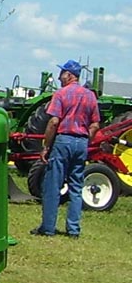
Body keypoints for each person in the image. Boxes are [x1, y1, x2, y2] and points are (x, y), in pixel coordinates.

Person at [31, 59, 100, 239]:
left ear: (70, 75)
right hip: (81, 142)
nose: (60, 76)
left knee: (53, 185)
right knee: (76, 187)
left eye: (62, 73)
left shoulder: (61, 94)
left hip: (64, 140)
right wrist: (86, 141)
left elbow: (54, 121)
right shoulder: (90, 96)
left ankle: (47, 228)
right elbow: (95, 124)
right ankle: (73, 230)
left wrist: (46, 146)